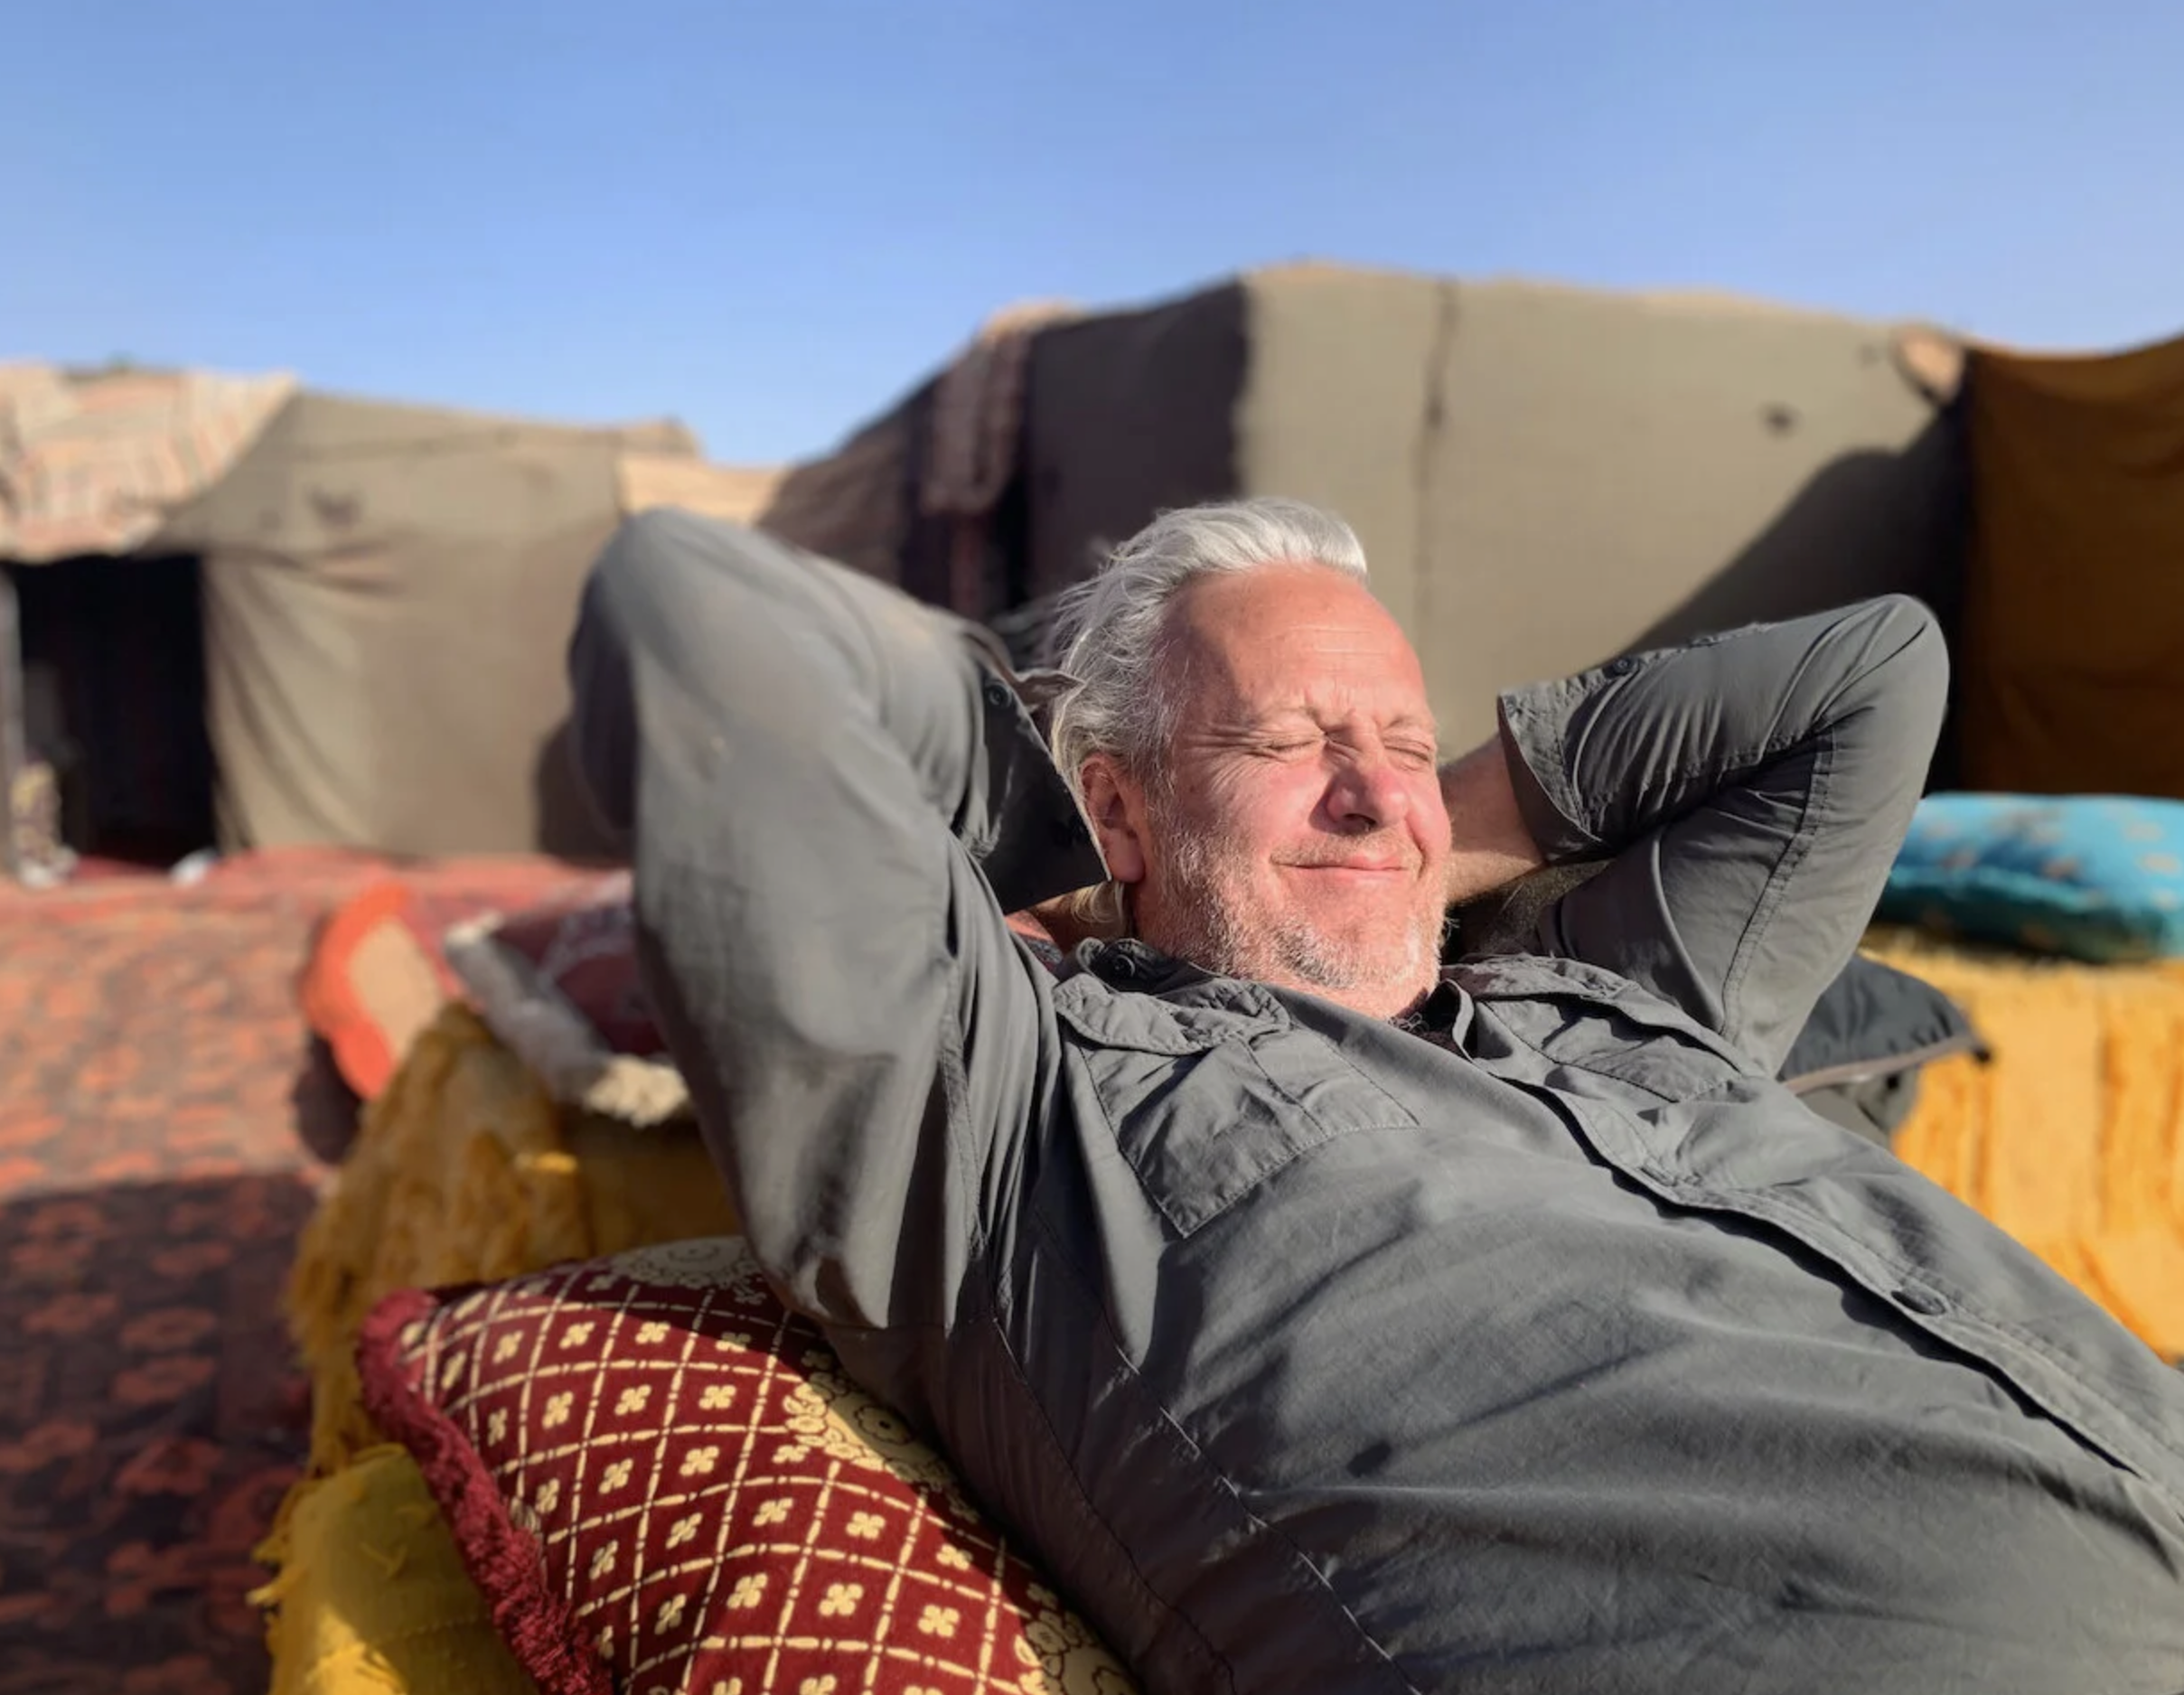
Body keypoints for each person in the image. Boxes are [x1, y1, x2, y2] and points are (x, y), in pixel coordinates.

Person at [567, 498, 2184, 1694]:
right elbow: (696, 611)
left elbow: (1870, 672)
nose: (1370, 786)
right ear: (1122, 804)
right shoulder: (1006, 1124)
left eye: (1401, 738)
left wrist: (1421, 827)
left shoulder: (1621, 991)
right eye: (1291, 738)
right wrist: (1075, 868)